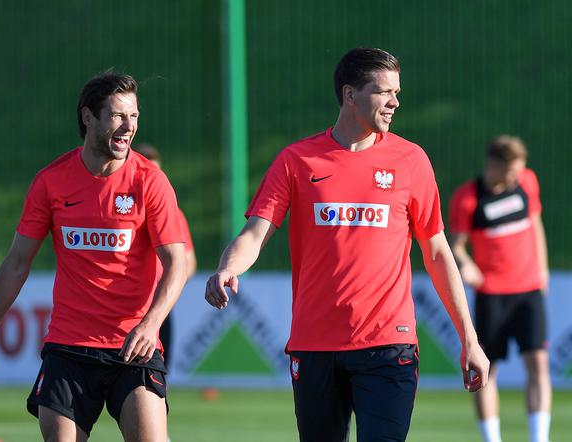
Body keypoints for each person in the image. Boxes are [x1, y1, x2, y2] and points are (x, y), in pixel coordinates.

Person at [204, 47, 490, 442]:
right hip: (315, 345)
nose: (395, 102)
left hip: (389, 345)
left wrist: (469, 339)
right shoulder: (297, 161)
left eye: (397, 92)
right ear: (350, 94)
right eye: (383, 91)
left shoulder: (411, 160)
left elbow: (438, 253)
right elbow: (255, 232)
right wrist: (228, 268)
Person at [0, 72, 188, 442]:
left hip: (133, 345)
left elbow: (176, 263)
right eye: (117, 116)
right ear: (88, 117)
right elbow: (17, 263)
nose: (128, 127)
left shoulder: (150, 182)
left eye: (134, 116)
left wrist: (151, 325)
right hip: (69, 347)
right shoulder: (51, 182)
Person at [449, 135, 551, 442]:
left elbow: (535, 224)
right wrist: (465, 263)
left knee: (538, 364)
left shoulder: (527, 183)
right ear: (495, 165)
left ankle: (539, 437)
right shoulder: (468, 198)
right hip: (492, 294)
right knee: (486, 370)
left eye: (520, 171)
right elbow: (456, 246)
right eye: (512, 171)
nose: (517, 177)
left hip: (529, 290)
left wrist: (542, 270)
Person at [133, 142, 198, 366]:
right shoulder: (119, 207)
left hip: (158, 306)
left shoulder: (172, 213)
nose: (152, 180)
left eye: (157, 173)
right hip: (124, 305)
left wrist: (171, 283)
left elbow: (188, 262)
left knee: (156, 372)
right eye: (147, 173)